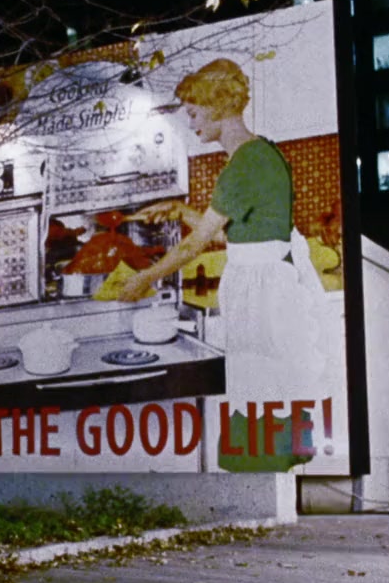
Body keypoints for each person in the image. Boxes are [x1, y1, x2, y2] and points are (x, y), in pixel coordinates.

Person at [119, 58, 325, 412]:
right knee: (273, 397)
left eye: (193, 114)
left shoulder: (243, 165)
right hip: (272, 288)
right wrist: (181, 211)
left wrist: (145, 278)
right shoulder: (263, 151)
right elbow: (243, 240)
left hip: (263, 298)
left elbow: (193, 245)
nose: (191, 125)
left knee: (260, 399)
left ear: (216, 106)